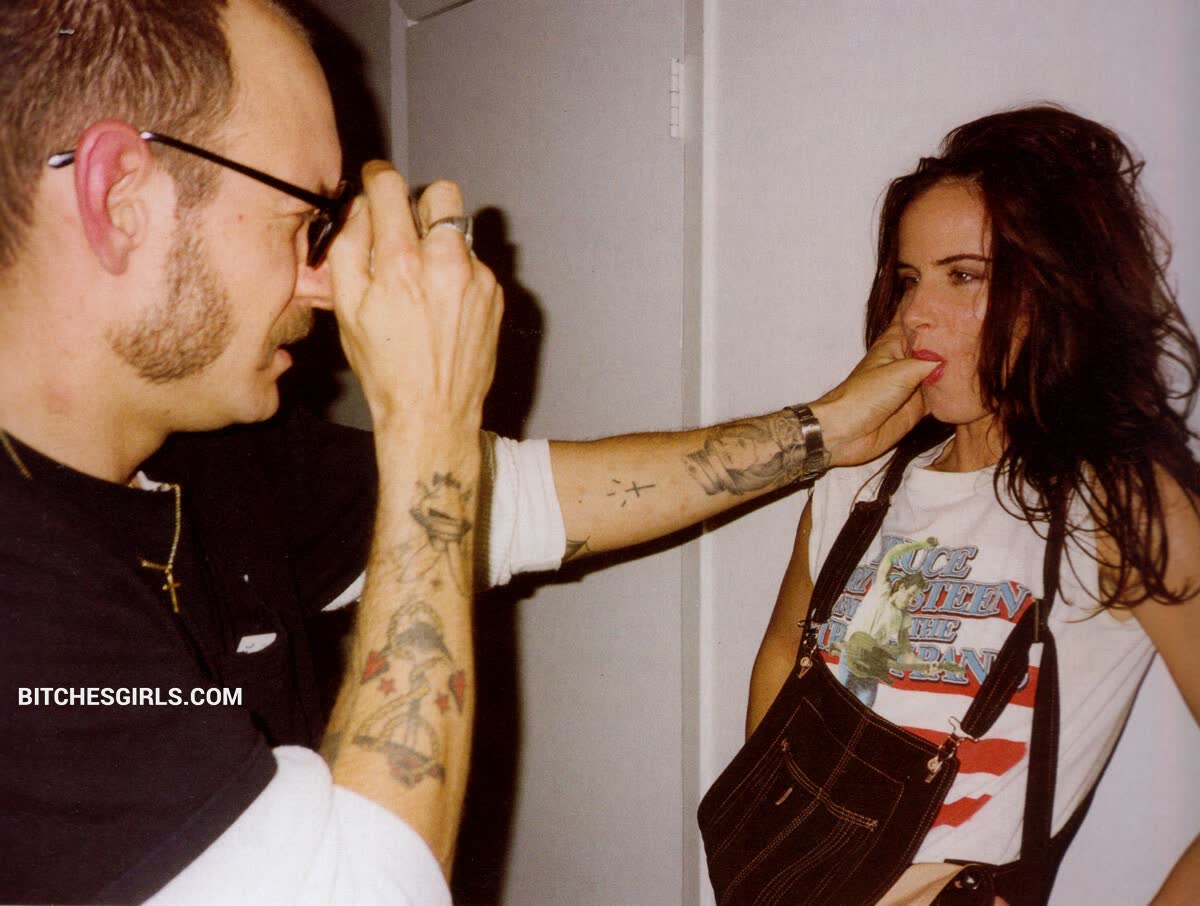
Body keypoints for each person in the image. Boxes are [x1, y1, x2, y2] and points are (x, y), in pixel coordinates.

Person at [0, 1, 939, 903]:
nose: (324, 284)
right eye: (302, 218)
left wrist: (821, 433)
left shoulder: (210, 459)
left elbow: (525, 501)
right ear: (120, 198)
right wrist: (428, 420)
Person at [744, 105, 1200, 902]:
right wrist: (772, 845)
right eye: (909, 279)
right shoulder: (858, 484)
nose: (917, 313)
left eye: (964, 276)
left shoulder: (1119, 506)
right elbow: (787, 648)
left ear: (1055, 288)